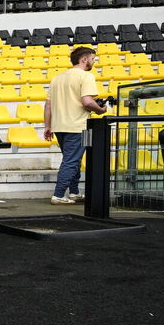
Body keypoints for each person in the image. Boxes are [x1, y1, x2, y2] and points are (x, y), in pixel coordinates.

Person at [44, 45, 110, 205]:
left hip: (59, 127)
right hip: (78, 126)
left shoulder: (57, 78)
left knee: (74, 159)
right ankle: (58, 195)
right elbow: (87, 101)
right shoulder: (86, 76)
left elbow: (48, 105)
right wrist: (100, 110)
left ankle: (74, 192)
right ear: (84, 59)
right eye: (93, 59)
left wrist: (47, 126)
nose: (94, 62)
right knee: (72, 161)